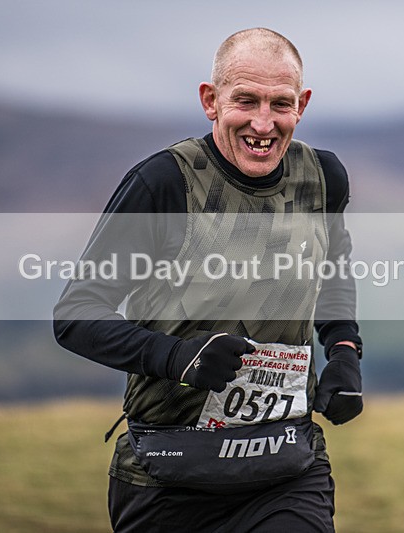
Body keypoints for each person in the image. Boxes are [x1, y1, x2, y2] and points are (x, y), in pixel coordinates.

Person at [54, 27, 363, 532]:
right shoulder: (164, 184)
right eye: (246, 100)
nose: (263, 123)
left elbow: (332, 267)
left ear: (302, 104)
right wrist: (181, 358)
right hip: (169, 475)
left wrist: (345, 349)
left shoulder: (324, 177)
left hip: (284, 464)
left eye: (280, 104)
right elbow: (75, 315)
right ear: (210, 100)